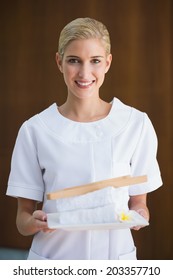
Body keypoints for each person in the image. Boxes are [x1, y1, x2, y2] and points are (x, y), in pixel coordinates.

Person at [6, 17, 162, 260]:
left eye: (95, 61)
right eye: (74, 61)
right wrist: (34, 222)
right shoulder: (35, 130)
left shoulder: (135, 125)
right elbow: (22, 220)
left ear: (108, 63)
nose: (84, 73)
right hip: (53, 260)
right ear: (59, 62)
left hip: (115, 261)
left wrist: (139, 214)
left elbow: (139, 204)